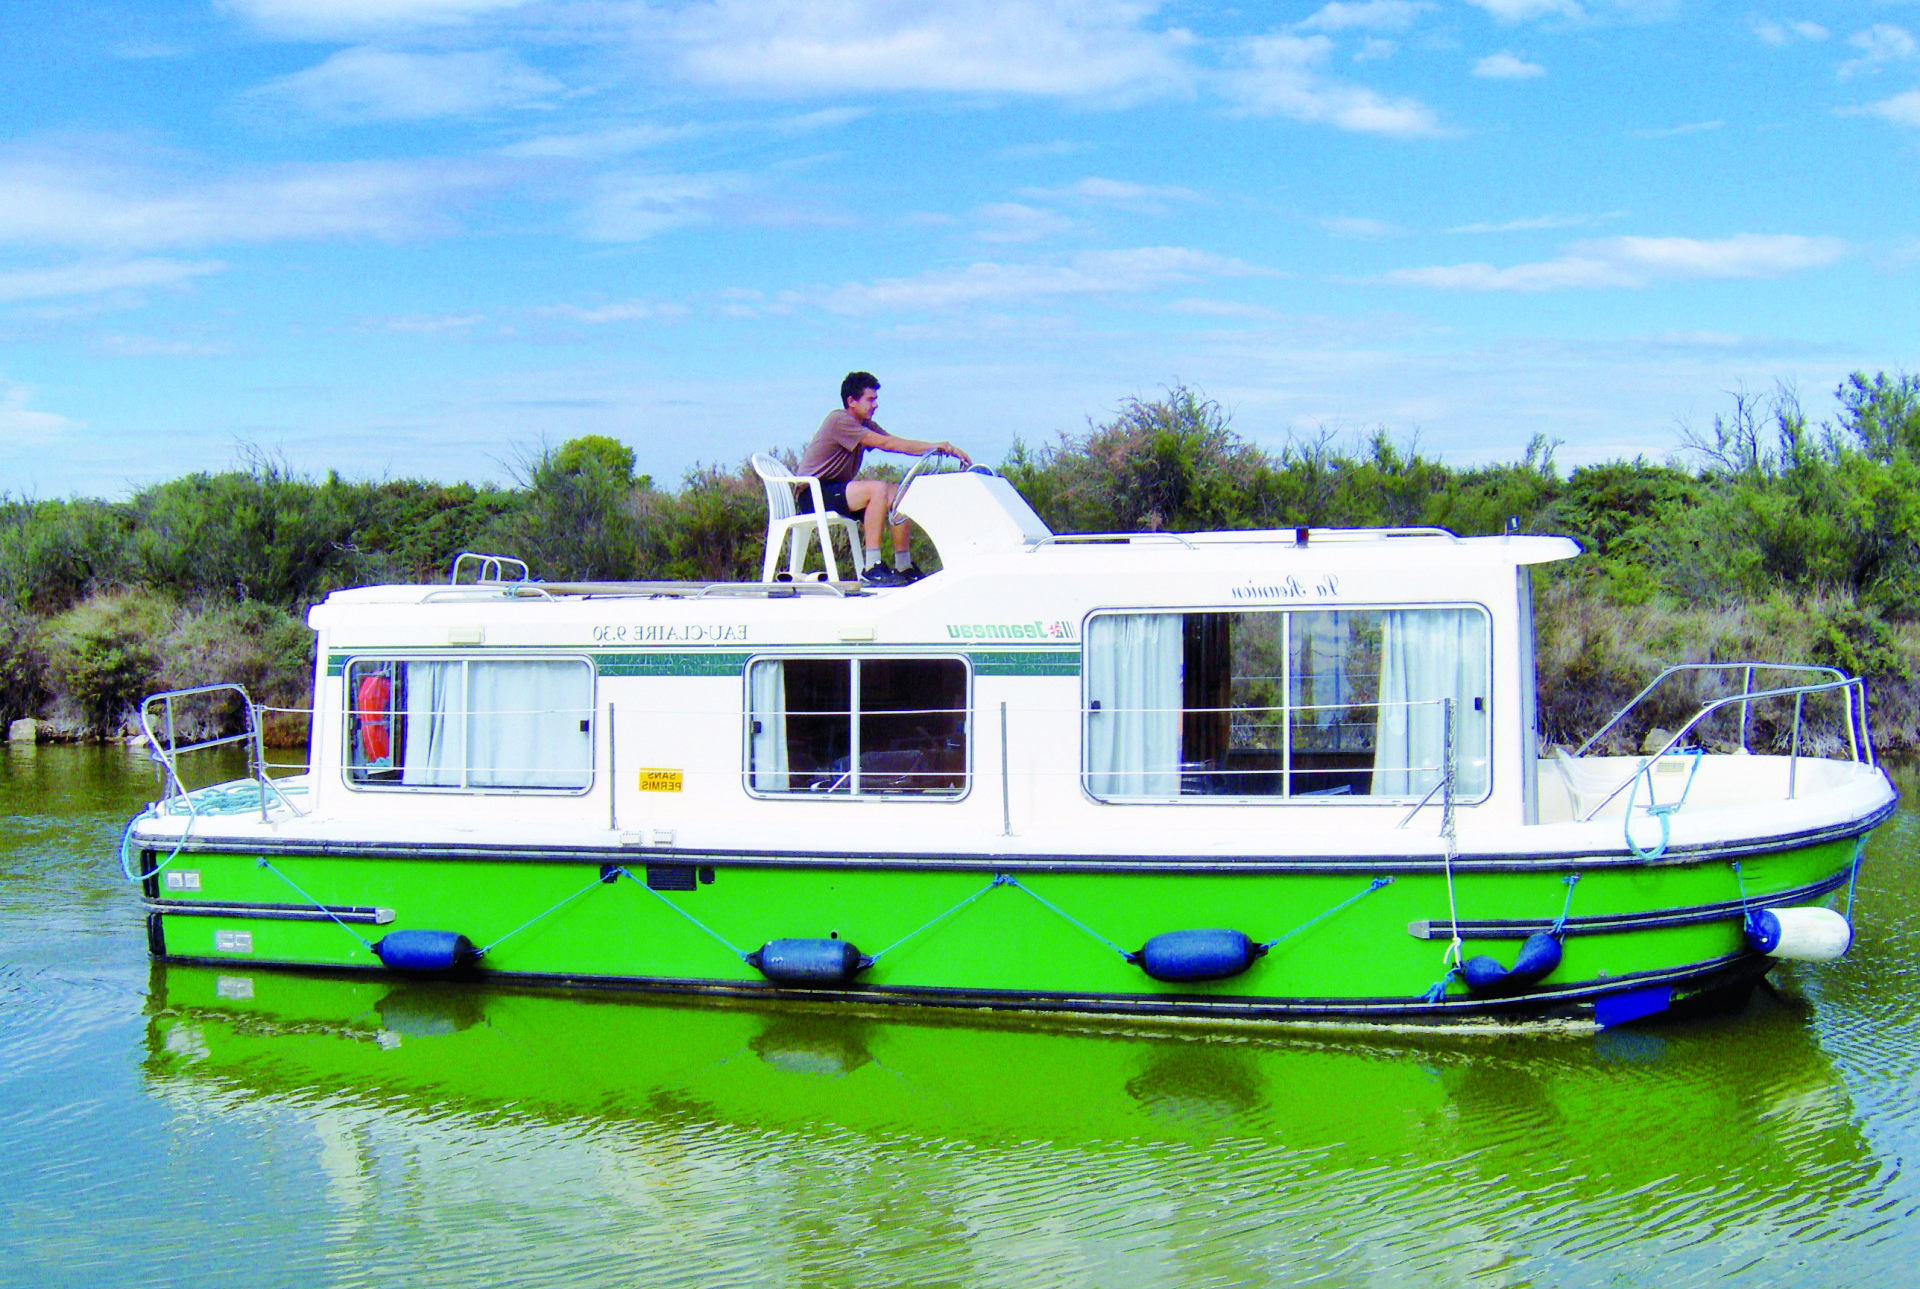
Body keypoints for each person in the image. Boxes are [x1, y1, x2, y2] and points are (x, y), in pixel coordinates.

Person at [797, 371, 970, 586]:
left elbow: (895, 442)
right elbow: (887, 444)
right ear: (851, 401)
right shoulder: (839, 420)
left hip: (838, 490)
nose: (876, 404)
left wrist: (945, 448)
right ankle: (872, 568)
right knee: (877, 489)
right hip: (813, 494)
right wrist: (936, 446)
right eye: (870, 399)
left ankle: (904, 566)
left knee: (899, 494)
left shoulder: (864, 424)